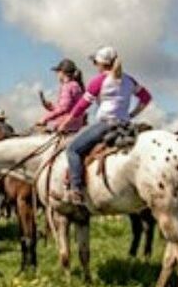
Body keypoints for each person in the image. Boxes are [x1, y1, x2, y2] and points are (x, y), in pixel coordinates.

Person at [64, 46, 153, 204]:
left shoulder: (99, 81)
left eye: (95, 63)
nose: (95, 66)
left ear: (101, 64)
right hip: (125, 124)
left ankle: (76, 189)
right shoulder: (128, 79)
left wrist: (65, 122)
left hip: (106, 124)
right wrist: (132, 114)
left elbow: (81, 106)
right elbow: (146, 97)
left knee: (73, 149)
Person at [37, 58, 87, 133]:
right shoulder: (76, 85)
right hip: (76, 125)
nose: (56, 75)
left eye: (57, 72)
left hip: (67, 126)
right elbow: (69, 107)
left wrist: (45, 118)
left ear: (62, 72)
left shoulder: (67, 86)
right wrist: (52, 107)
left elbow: (64, 108)